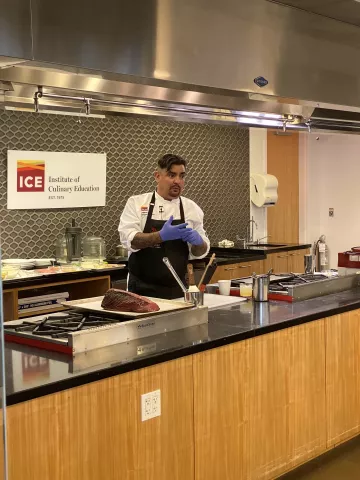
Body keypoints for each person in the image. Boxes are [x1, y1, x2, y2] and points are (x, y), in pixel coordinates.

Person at [119, 153, 210, 299]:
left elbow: (200, 251)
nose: (177, 181)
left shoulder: (191, 208)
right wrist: (161, 236)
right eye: (171, 175)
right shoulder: (136, 203)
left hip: (178, 289)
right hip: (141, 290)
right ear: (157, 176)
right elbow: (130, 240)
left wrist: (198, 242)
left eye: (181, 176)